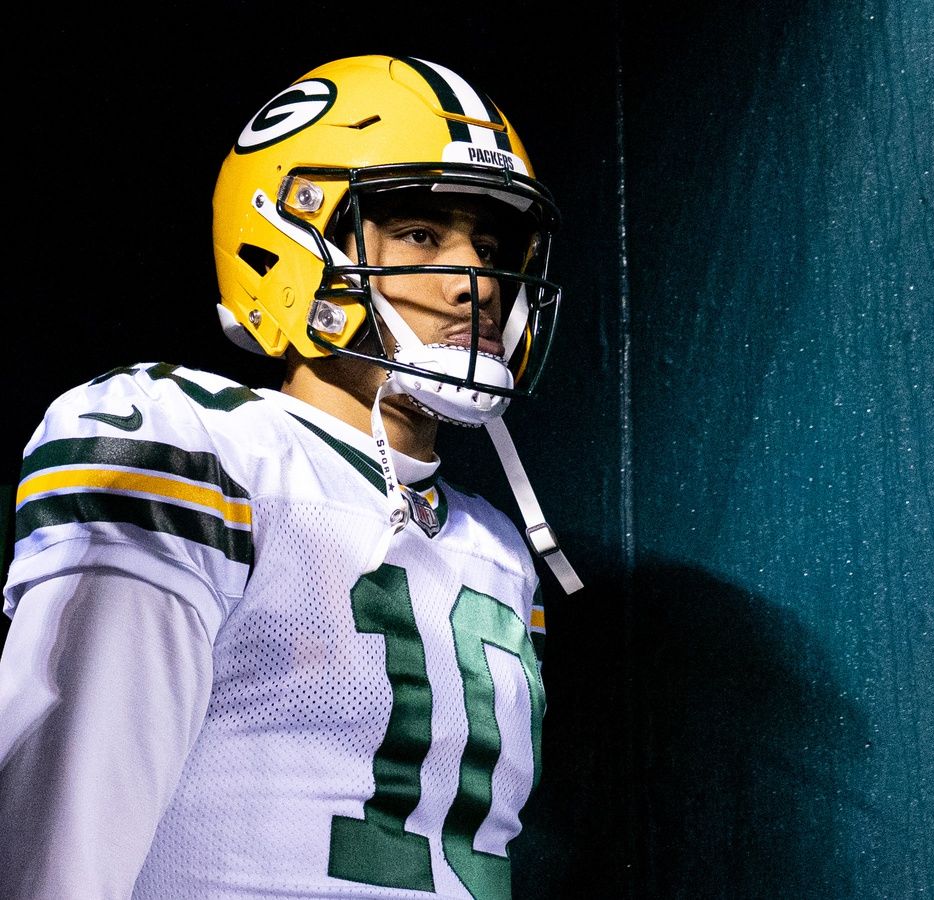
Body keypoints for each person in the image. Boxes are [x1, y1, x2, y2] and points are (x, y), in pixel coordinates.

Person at [0, 54, 581, 899]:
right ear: (288, 236)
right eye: (422, 234)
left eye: (490, 247)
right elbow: (63, 836)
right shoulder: (193, 442)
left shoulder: (495, 544)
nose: (477, 285)